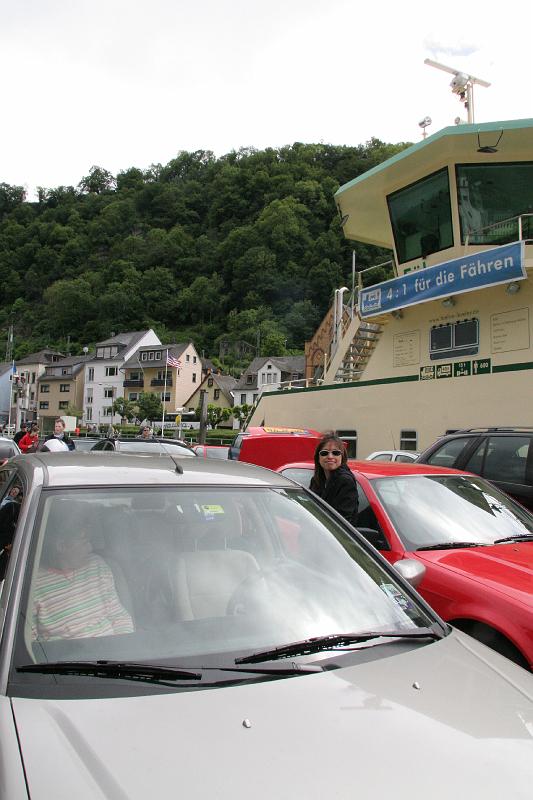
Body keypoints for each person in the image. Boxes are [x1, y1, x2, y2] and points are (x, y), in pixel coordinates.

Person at [31, 505, 134, 641]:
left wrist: (124, 645)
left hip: (111, 650)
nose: (90, 548)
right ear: (61, 546)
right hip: (62, 654)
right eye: (85, 542)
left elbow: (118, 615)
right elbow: (30, 639)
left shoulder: (98, 565)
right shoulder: (33, 583)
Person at [309, 433, 359, 525]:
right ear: (318, 458)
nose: (330, 457)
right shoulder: (316, 480)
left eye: (336, 453)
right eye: (324, 453)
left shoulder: (345, 481)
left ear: (342, 457)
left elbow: (342, 520)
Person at [0, 485, 23, 579]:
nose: (13, 492)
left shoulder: (11, 505)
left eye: (16, 492)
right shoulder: (5, 499)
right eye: (13, 490)